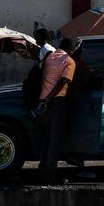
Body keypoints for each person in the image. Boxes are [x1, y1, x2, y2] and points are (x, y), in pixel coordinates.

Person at [37, 38, 78, 183]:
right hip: (57, 101)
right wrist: (49, 99)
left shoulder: (50, 57)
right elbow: (63, 81)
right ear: (72, 49)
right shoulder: (69, 61)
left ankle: (42, 172)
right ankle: (49, 176)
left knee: (46, 139)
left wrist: (44, 100)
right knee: (55, 140)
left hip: (43, 100)